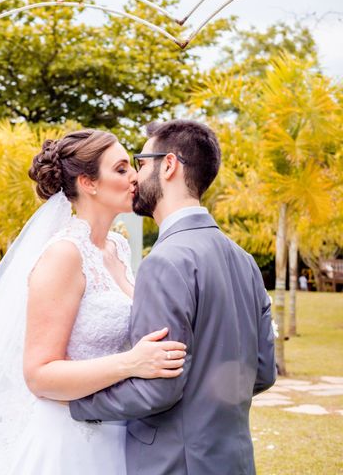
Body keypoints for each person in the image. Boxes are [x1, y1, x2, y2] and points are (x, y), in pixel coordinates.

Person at [0, 129, 186, 474]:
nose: (136, 176)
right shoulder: (64, 254)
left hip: (117, 430)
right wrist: (131, 364)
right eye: (121, 169)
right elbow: (39, 375)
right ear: (88, 183)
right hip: (70, 441)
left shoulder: (118, 249)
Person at [69, 120, 277, 474]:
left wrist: (76, 404)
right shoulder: (244, 260)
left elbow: (157, 392)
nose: (135, 177)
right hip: (234, 460)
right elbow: (262, 371)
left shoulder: (165, 262)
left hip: (175, 462)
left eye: (141, 163)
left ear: (168, 165)